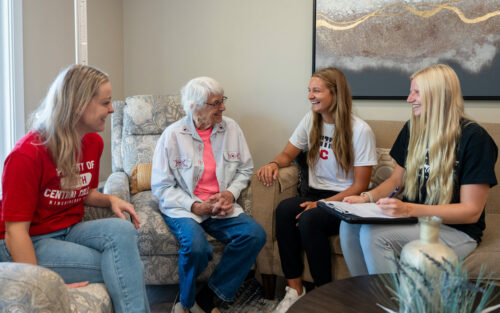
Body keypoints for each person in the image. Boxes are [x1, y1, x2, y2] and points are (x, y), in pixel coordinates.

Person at [0, 64, 150, 313]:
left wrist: (110, 200)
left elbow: (82, 191)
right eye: (106, 103)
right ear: (79, 104)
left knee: (122, 231)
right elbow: (16, 232)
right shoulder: (27, 155)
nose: (112, 109)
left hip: (70, 229)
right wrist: (41, 283)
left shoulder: (92, 142)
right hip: (32, 240)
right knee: (123, 264)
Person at [340, 64, 498, 276]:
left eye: (416, 92)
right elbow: (397, 180)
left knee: (374, 236)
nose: (409, 98)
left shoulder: (474, 139)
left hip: (456, 231)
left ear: (438, 95)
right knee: (348, 226)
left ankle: (389, 306)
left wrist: (408, 209)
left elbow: (470, 211)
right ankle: (365, 298)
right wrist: (366, 198)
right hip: (415, 220)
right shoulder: (412, 128)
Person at [257, 67, 377, 313]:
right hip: (315, 193)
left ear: (335, 93)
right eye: (309, 90)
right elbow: (288, 154)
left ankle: (324, 295)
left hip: (348, 200)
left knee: (311, 220)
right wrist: (273, 163)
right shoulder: (310, 120)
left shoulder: (360, 130)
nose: (310, 96)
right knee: (284, 210)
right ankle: (294, 290)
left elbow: (361, 186)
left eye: (317, 91)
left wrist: (324, 205)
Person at [151, 76, 266, 313]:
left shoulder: (231, 129)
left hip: (220, 207)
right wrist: (194, 205)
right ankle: (184, 304)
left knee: (254, 235)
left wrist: (230, 195)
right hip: (184, 208)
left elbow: (245, 168)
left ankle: (207, 299)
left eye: (222, 101)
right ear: (195, 106)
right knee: (196, 247)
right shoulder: (172, 135)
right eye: (216, 103)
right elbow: (161, 187)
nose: (223, 107)